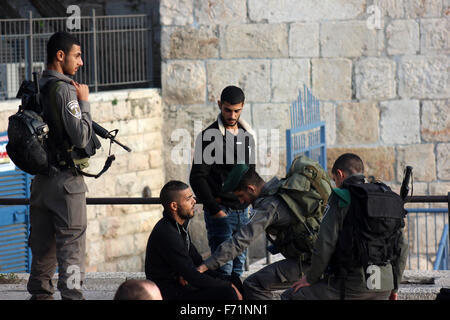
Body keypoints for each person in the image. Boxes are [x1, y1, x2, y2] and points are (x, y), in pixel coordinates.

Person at [197, 159, 331, 300]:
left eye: (241, 196)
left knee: (253, 284)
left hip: (311, 263)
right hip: (319, 256)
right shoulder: (280, 190)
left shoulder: (269, 206)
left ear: (251, 189)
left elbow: (240, 241)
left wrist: (204, 267)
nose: (241, 202)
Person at [283, 153, 409, 300]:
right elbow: (402, 248)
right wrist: (394, 287)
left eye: (335, 180)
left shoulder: (341, 197)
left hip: (351, 284)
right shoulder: (387, 198)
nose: (335, 184)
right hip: (384, 286)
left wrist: (310, 278)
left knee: (291, 296)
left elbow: (325, 243)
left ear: (340, 174)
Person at [27, 32, 94, 300]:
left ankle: (40, 296)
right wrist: (85, 103)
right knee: (72, 248)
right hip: (66, 183)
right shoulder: (66, 89)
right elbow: (80, 136)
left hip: (41, 182)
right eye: (77, 56)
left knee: (43, 249)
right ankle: (73, 296)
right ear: (60, 56)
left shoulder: (38, 84)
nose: (81, 62)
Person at [189, 85, 255, 277]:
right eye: (228, 110)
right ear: (219, 105)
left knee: (238, 267)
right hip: (222, 211)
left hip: (243, 211)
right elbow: (197, 177)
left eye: (237, 111)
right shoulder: (208, 137)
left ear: (242, 107)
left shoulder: (246, 135)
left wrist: (250, 204)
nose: (232, 115)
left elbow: (251, 173)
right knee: (222, 268)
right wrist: (215, 210)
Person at [144, 180, 243, 300]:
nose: (194, 201)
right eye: (188, 199)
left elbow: (197, 262)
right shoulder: (167, 233)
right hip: (170, 293)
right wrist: (227, 286)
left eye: (193, 197)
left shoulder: (179, 227)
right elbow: (193, 277)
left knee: (234, 280)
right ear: (174, 206)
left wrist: (228, 282)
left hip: (184, 285)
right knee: (227, 292)